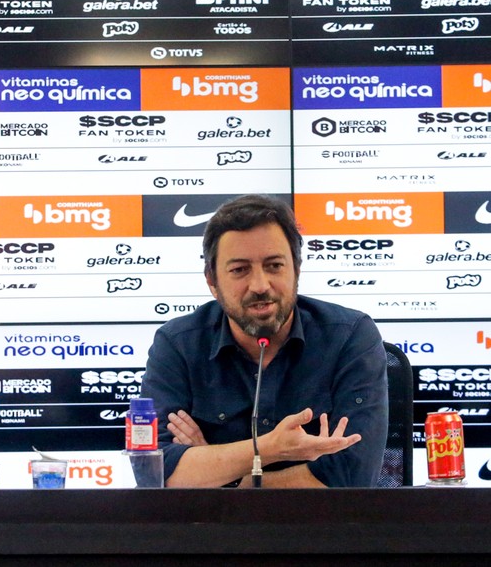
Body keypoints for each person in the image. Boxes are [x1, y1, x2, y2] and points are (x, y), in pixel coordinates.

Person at [140, 194, 387, 488]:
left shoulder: (350, 336)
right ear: (212, 281)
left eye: (274, 266)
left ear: (296, 269)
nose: (259, 286)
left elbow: (352, 476)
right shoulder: (177, 344)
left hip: (322, 530)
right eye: (239, 270)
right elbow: (153, 473)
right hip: (209, 533)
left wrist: (221, 476)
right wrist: (271, 448)